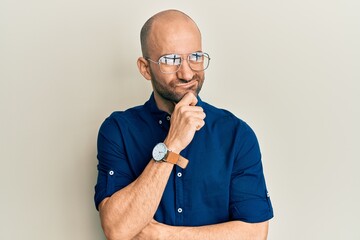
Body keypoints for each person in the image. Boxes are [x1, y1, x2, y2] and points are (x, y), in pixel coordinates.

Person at [94, 9, 273, 240]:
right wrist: (172, 145)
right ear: (145, 68)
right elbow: (117, 230)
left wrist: (162, 235)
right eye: (171, 60)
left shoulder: (237, 135)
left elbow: (254, 232)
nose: (187, 74)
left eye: (195, 57)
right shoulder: (118, 130)